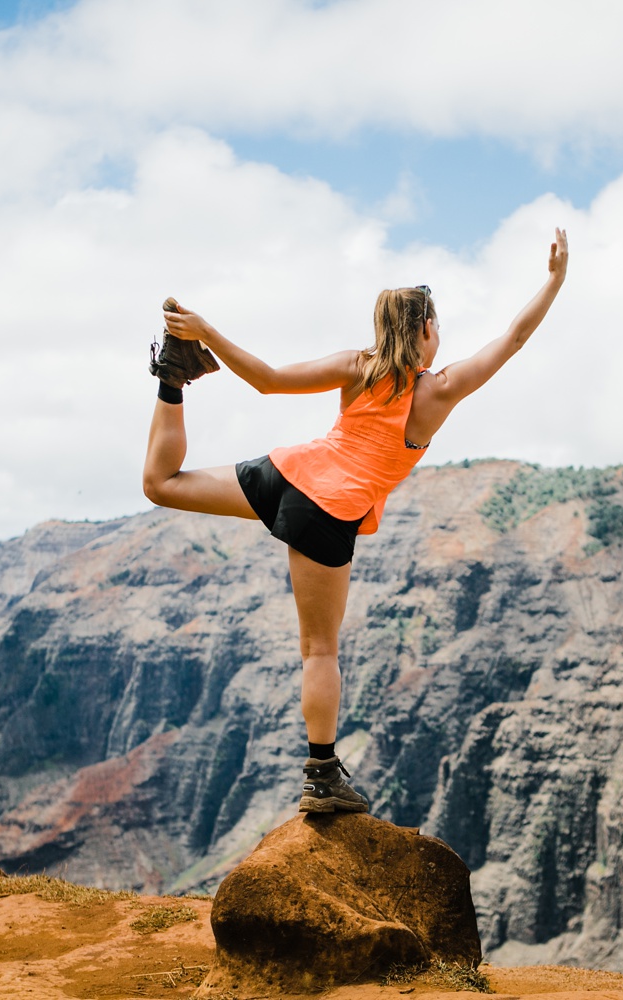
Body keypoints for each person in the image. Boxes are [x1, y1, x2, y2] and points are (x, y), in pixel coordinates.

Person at [142, 228, 569, 813]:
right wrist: (554, 281)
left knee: (161, 485)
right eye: (436, 326)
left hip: (287, 473)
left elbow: (266, 380)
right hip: (326, 510)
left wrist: (206, 334)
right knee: (320, 650)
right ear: (425, 330)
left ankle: (172, 377)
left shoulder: (356, 367)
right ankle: (322, 776)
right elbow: (514, 338)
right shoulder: (438, 391)